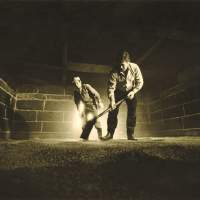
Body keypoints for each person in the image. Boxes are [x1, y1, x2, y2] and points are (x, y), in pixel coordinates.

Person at [102, 50, 144, 140]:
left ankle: (130, 134)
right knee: (112, 111)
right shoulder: (114, 72)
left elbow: (140, 82)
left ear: (128, 62)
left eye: (123, 65)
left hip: (131, 91)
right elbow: (111, 88)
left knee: (132, 111)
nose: (121, 67)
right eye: (119, 64)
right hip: (118, 92)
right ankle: (110, 133)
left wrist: (133, 91)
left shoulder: (135, 67)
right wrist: (112, 101)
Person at [72, 76, 104, 140]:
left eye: (77, 82)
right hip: (84, 108)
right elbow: (77, 102)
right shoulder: (76, 92)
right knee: (84, 123)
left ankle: (100, 137)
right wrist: (79, 111)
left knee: (96, 122)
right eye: (74, 83)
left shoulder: (86, 86)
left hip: (92, 106)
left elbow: (96, 94)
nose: (76, 84)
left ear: (80, 82)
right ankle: (85, 139)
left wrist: (100, 102)